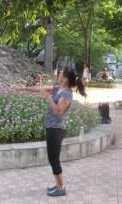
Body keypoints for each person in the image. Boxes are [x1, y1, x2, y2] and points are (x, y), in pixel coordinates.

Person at [14, 67, 86, 197]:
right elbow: (41, 89)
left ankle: (61, 187)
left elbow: (58, 111)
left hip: (56, 129)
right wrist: (23, 89)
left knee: (54, 159)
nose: (58, 74)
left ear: (64, 78)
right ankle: (59, 185)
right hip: (51, 127)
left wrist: (48, 98)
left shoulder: (66, 94)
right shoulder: (59, 88)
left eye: (60, 73)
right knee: (52, 158)